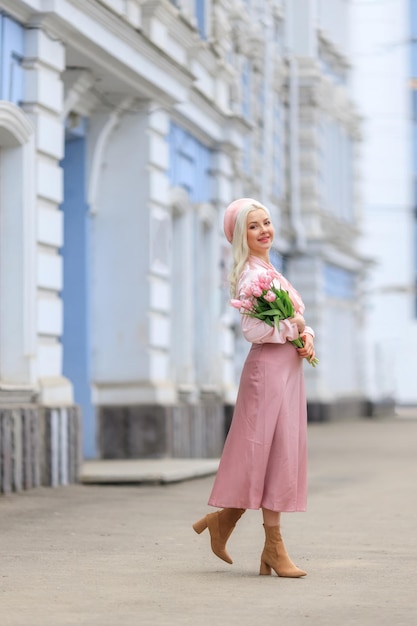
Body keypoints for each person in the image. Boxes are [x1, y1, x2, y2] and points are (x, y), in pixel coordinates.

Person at [192, 198, 316, 578]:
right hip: (267, 375)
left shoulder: (271, 271)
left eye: (266, 222)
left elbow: (296, 318)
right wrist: (293, 328)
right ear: (240, 236)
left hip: (287, 373)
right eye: (253, 226)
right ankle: (269, 546)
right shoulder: (251, 275)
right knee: (262, 454)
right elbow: (253, 330)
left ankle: (232, 527)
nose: (264, 230)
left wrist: (306, 335)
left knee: (279, 453)